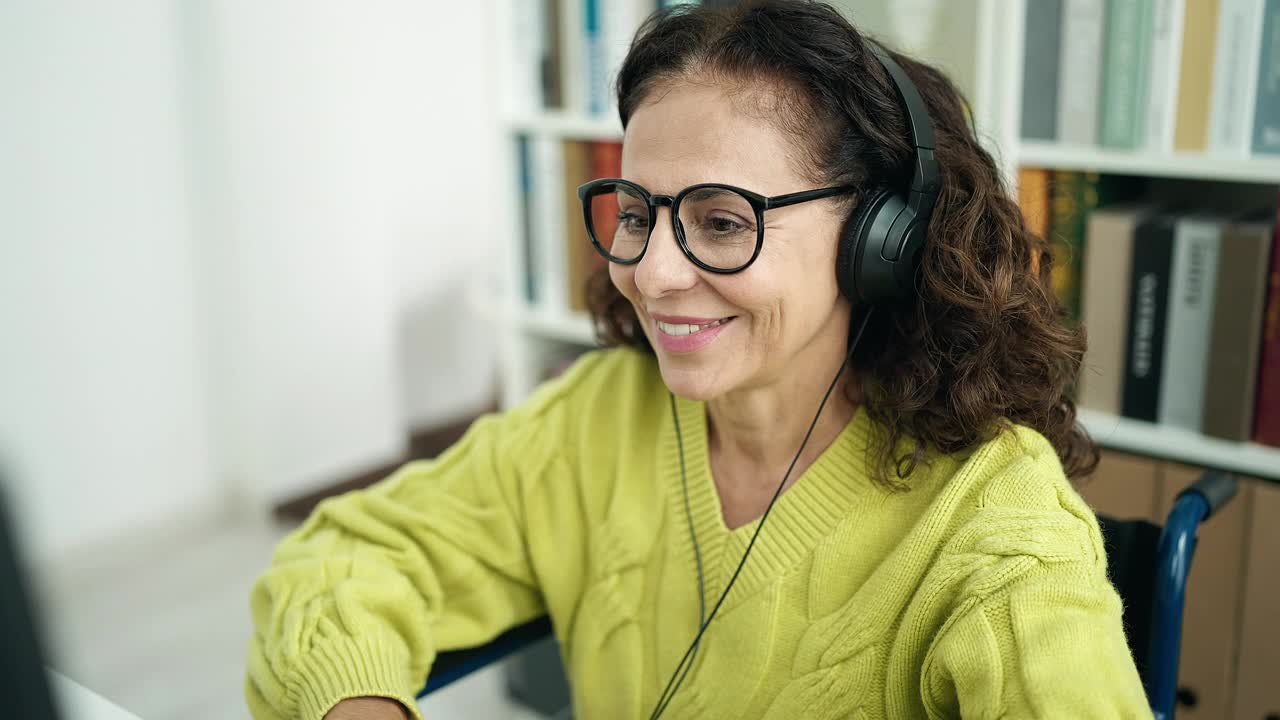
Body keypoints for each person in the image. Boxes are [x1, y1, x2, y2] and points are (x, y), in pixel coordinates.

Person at [245, 2, 1152, 718]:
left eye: (723, 221)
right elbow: (345, 555)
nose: (653, 270)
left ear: (883, 239)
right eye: (638, 213)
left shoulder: (995, 530)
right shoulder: (601, 413)